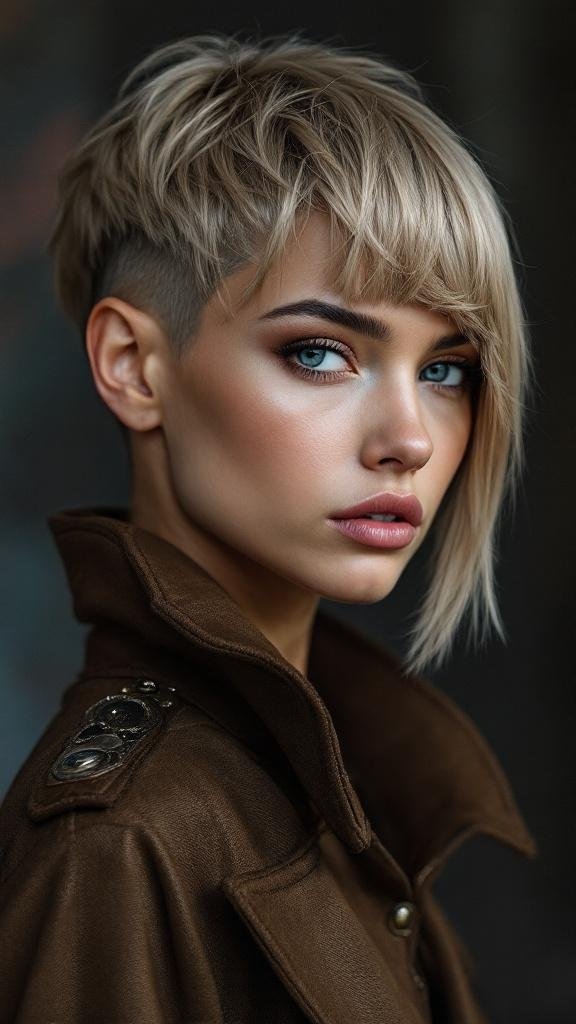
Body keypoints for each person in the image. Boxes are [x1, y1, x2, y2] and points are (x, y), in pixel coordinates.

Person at [0, 31, 538, 1024]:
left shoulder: (339, 790)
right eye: (323, 353)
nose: (410, 438)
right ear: (131, 363)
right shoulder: (119, 847)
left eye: (447, 368)